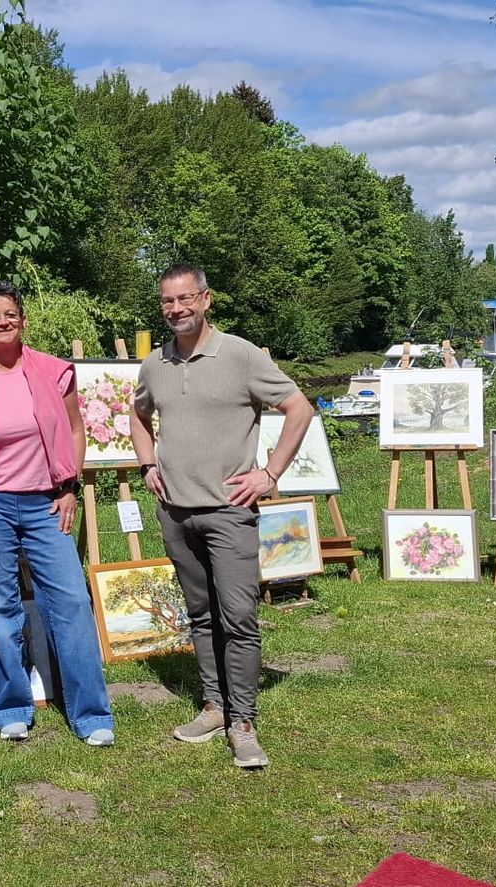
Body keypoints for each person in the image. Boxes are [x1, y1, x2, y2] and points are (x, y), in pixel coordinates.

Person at [131, 263, 312, 769]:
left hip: (229, 513)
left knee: (239, 617)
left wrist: (269, 474)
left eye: (185, 298)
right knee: (201, 614)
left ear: (206, 299)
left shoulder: (240, 355)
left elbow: (299, 408)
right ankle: (214, 706)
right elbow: (138, 416)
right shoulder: (155, 364)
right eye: (168, 301)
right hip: (176, 513)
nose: (176, 309)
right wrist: (147, 465)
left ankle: (243, 721)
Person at [0, 281, 115, 746]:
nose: (2, 321)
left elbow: (76, 430)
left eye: (10, 313)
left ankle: (91, 713)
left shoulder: (54, 373)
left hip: (48, 503)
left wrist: (69, 487)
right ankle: (9, 709)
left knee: (72, 602)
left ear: (22, 319)